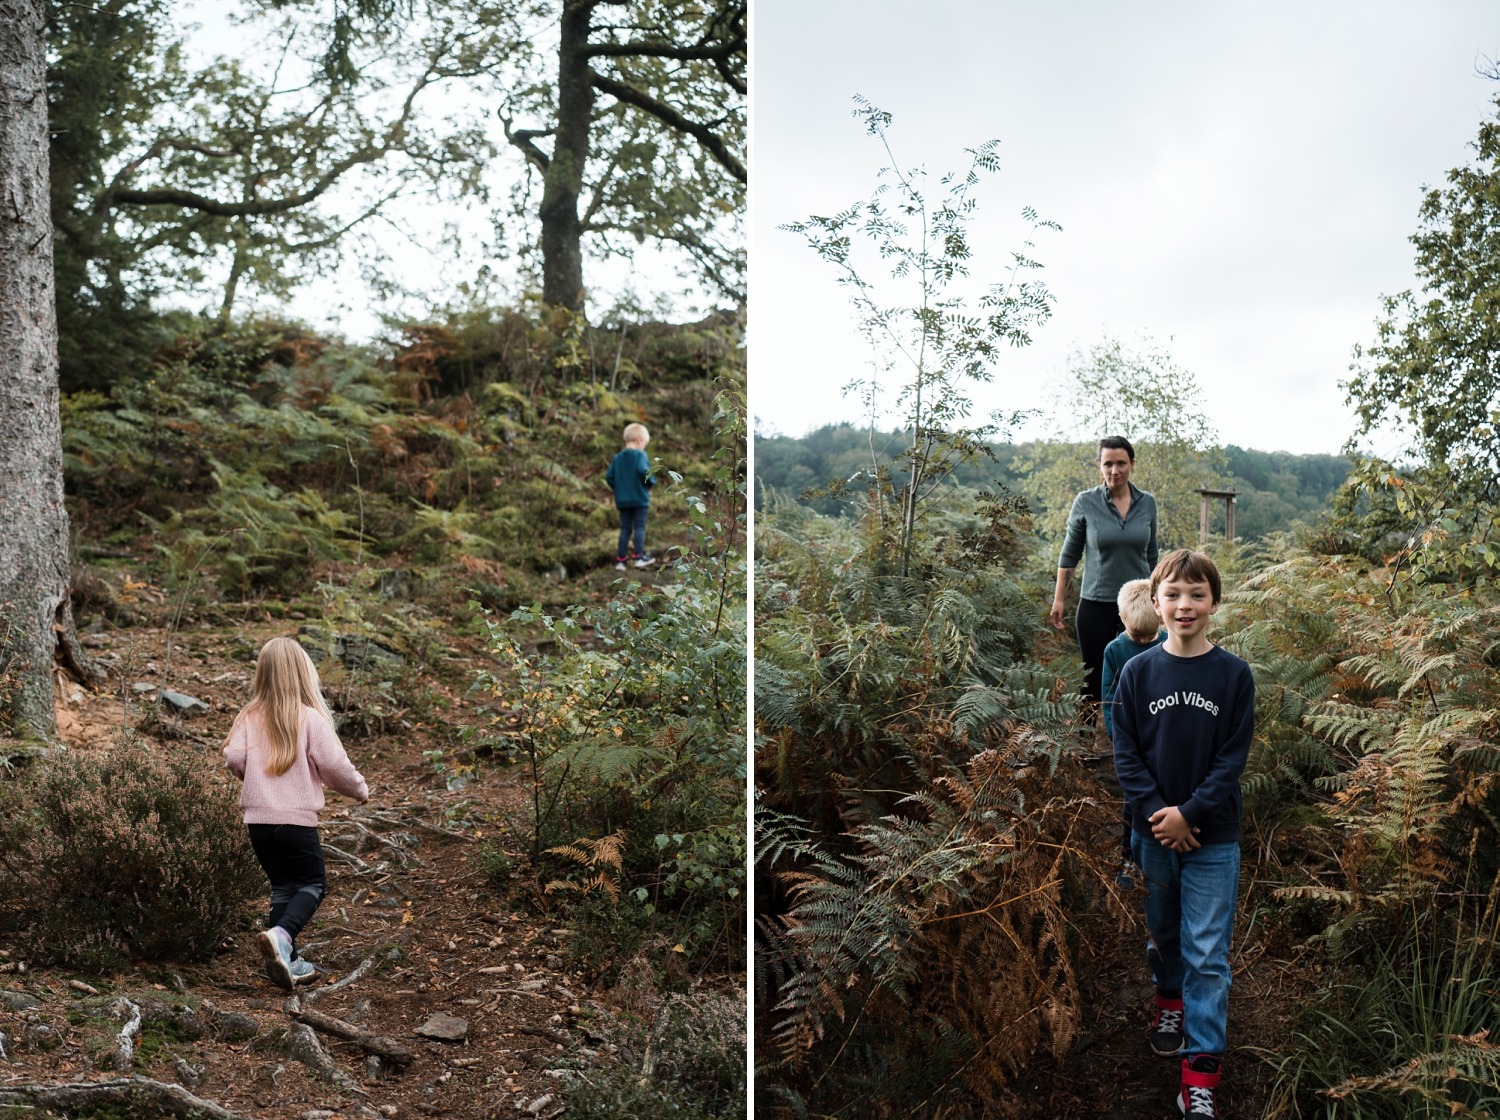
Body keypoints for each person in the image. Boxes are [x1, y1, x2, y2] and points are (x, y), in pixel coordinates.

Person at [1111, 549, 1254, 1119]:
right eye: (1173, 593)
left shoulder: (1233, 675)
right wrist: (1160, 815)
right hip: (1153, 834)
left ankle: (1200, 1077)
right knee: (1165, 935)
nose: (1184, 605)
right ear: (1154, 601)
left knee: (1208, 955)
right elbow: (1125, 753)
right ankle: (1168, 1000)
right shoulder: (1136, 672)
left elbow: (1231, 758)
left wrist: (1190, 814)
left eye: (1196, 594)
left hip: (1213, 836)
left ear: (1214, 603)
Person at [223, 636, 369, 991]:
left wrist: (253, 778)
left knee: (283, 887)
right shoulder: (309, 719)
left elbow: (232, 757)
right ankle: (283, 935)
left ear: (264, 675)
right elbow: (335, 766)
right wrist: (359, 790)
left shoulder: (249, 717)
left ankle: (288, 962)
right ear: (303, 674)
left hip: (258, 823)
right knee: (312, 884)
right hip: (295, 822)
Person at [1050, 436, 1159, 713]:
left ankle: (1134, 740)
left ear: (1132, 464)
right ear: (1099, 465)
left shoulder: (1147, 503)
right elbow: (1069, 554)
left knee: (1138, 674)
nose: (1115, 470)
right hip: (1095, 604)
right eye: (1108, 463)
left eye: (1121, 463)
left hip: (1139, 605)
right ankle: (1085, 745)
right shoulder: (1086, 502)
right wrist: (1059, 600)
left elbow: (1152, 556)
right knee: (1092, 676)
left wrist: (1160, 601)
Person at [1100, 577, 1166, 876]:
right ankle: (1129, 857)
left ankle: (1163, 847)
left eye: (1148, 635)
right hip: (1132, 739)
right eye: (1137, 635)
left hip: (1163, 737)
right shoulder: (1115, 650)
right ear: (1122, 618)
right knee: (1133, 798)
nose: (1142, 641)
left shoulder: (1168, 643)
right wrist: (1118, 737)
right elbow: (1109, 697)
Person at [606, 421, 657, 571]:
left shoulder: (617, 458)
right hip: (640, 499)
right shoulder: (640, 455)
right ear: (640, 440)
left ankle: (621, 561)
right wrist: (651, 482)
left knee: (625, 528)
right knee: (639, 526)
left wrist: (619, 488)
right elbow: (643, 471)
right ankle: (638, 558)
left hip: (622, 500)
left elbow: (609, 476)